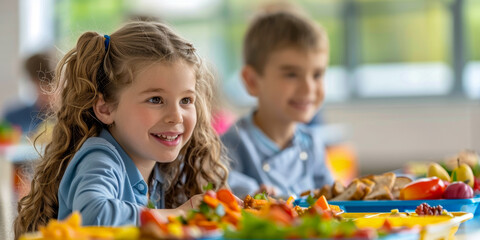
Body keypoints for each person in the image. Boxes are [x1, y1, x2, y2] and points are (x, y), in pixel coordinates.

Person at [14, 21, 229, 238]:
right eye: (155, 99)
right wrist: (180, 213)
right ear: (105, 108)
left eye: (186, 100)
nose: (176, 116)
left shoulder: (161, 166)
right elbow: (93, 217)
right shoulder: (100, 158)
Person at [222, 10, 334, 198]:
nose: (308, 89)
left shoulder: (312, 144)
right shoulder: (229, 146)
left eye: (317, 75)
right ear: (252, 82)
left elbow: (334, 202)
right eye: (291, 74)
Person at [2, 52, 54, 134]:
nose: (46, 91)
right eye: (40, 84)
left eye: (50, 85)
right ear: (32, 82)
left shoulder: (68, 118)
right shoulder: (14, 117)